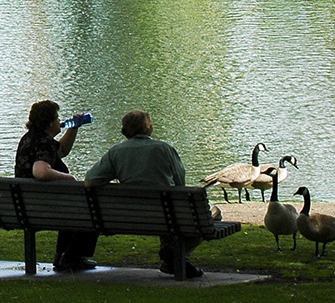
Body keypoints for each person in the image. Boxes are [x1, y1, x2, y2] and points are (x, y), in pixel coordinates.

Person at [83, 110, 203, 278]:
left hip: (128, 216)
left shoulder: (116, 152)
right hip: (166, 216)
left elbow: (90, 181)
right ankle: (174, 255)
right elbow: (180, 184)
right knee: (204, 216)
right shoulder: (165, 149)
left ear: (124, 131)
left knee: (174, 214)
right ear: (149, 129)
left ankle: (172, 258)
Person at [14, 100, 98, 272]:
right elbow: (41, 171)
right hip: (45, 206)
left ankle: (64, 257)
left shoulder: (30, 139)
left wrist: (73, 128)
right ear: (50, 122)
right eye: (57, 117)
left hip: (28, 205)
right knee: (91, 209)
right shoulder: (44, 143)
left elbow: (61, 151)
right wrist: (69, 178)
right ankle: (72, 257)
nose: (60, 120)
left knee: (73, 208)